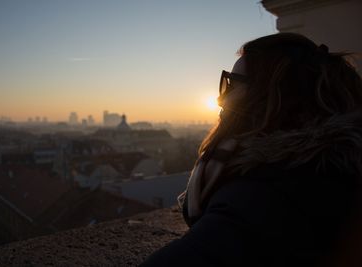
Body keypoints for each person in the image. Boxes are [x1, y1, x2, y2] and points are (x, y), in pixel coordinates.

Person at [140, 33, 362, 266]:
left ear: (271, 98)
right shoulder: (325, 169)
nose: (220, 99)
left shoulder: (270, 191)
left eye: (232, 83)